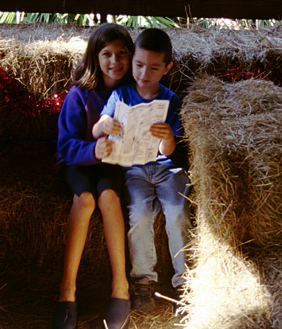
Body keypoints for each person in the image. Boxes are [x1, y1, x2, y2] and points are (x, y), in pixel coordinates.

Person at [93, 28, 190, 310]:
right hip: (134, 170)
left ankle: (185, 284)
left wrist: (167, 138)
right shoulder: (121, 95)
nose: (144, 73)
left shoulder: (171, 100)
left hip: (166, 169)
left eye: (154, 68)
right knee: (139, 215)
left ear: (167, 68)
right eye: (138, 65)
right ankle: (143, 283)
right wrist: (104, 127)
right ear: (133, 59)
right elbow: (98, 127)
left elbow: (170, 153)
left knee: (177, 213)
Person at [53, 23, 134, 329]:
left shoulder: (133, 95)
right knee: (85, 200)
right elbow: (65, 145)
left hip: (112, 166)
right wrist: (94, 150)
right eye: (107, 54)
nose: (115, 61)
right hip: (79, 162)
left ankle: (120, 287)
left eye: (122, 54)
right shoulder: (80, 95)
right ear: (95, 57)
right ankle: (67, 292)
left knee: (110, 198)